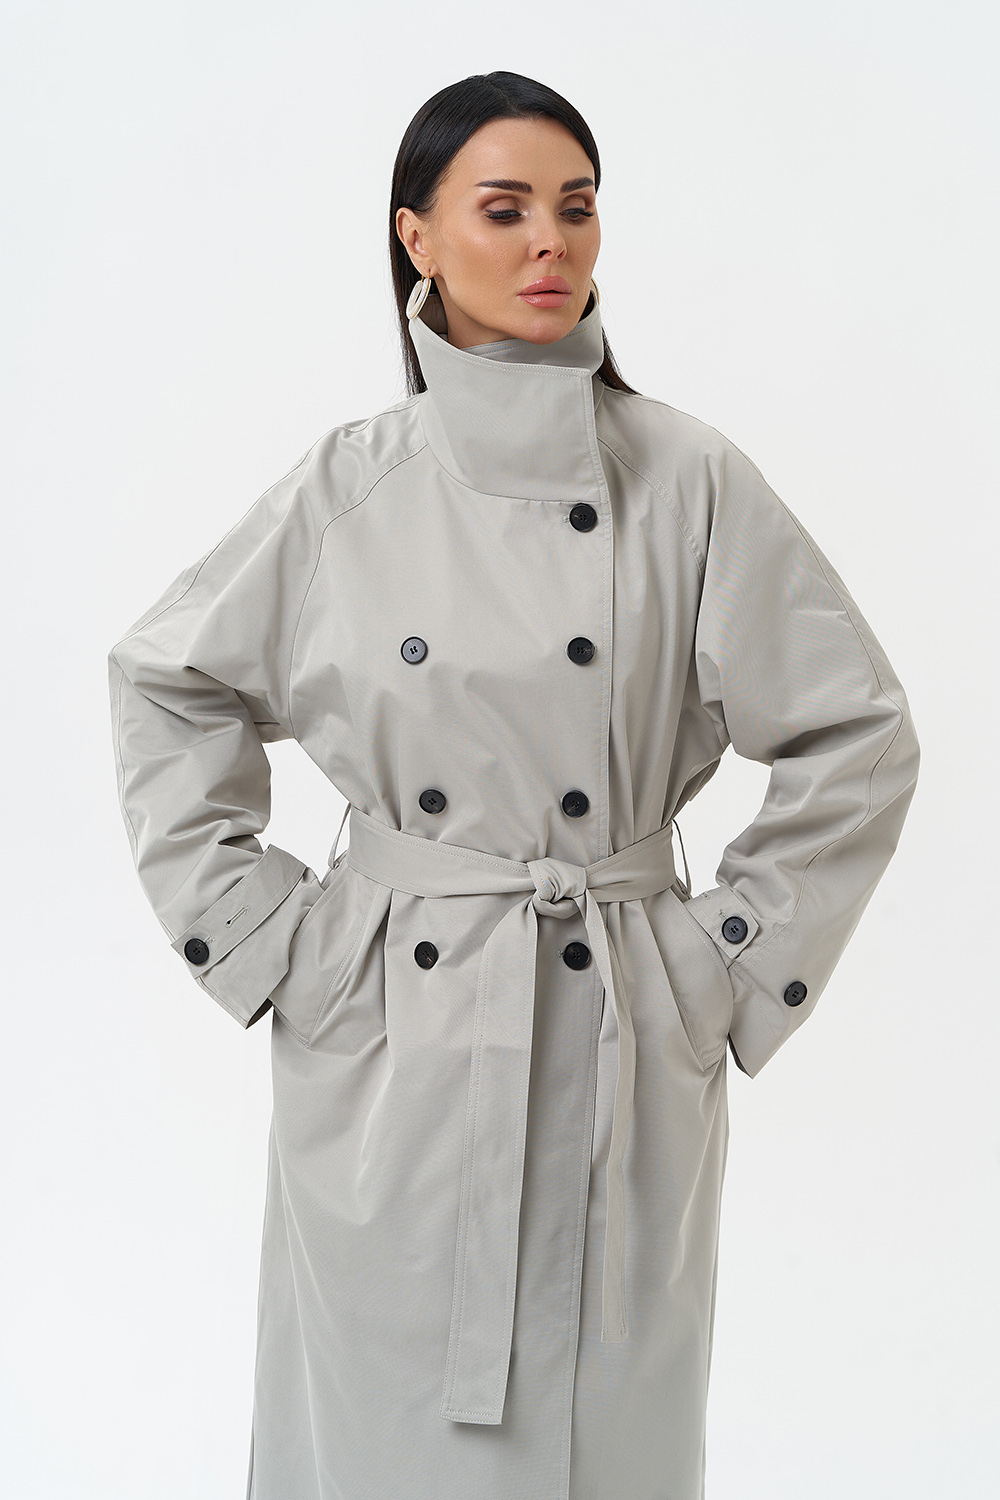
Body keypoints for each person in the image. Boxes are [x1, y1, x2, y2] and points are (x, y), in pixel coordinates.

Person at [107, 71, 919, 1500]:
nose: (551, 241)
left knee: (608, 1428)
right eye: (504, 209)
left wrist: (719, 961)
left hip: (615, 1031)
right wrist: (275, 941)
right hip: (392, 1050)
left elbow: (856, 734)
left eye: (577, 207)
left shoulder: (690, 480)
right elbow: (168, 682)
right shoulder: (349, 487)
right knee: (381, 1435)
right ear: (417, 236)